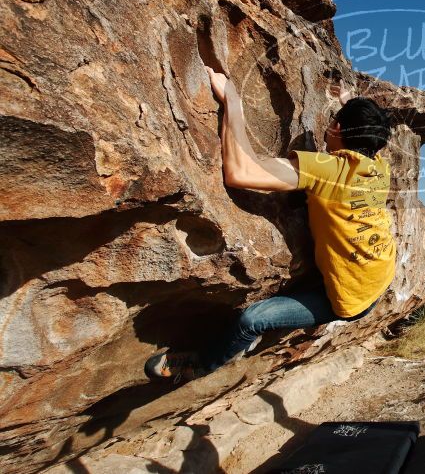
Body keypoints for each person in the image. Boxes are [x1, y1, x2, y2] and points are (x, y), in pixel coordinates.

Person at [145, 68, 396, 382]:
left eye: (334, 122)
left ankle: (199, 366)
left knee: (252, 319)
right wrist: (349, 101)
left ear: (338, 128)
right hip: (377, 277)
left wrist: (232, 101)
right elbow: (364, 131)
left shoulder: (328, 169)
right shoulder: (377, 167)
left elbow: (242, 172)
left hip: (349, 300)